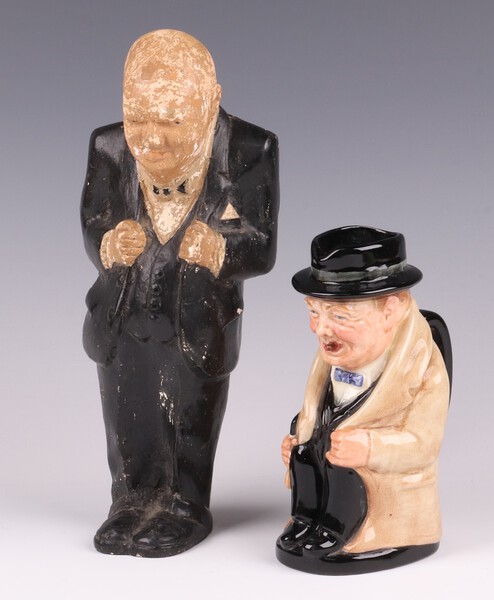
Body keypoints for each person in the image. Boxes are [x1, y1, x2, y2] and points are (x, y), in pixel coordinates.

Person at [81, 29, 278, 557]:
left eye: (172, 120)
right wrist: (108, 243)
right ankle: (129, 499)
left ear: (211, 102)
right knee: (128, 412)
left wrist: (219, 249)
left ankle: (185, 505)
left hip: (197, 319)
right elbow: (94, 217)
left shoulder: (250, 149)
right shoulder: (108, 147)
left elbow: (261, 244)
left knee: (190, 415)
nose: (151, 139)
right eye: (137, 118)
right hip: (123, 313)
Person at [276, 226, 450, 575]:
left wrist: (371, 448)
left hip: (391, 508)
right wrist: (300, 436)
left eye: (340, 316)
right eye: (315, 312)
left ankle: (342, 531)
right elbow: (320, 410)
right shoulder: (334, 357)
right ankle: (306, 520)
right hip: (327, 480)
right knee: (306, 453)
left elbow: (424, 445)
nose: (321, 329)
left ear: (391, 311)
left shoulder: (425, 370)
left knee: (342, 464)